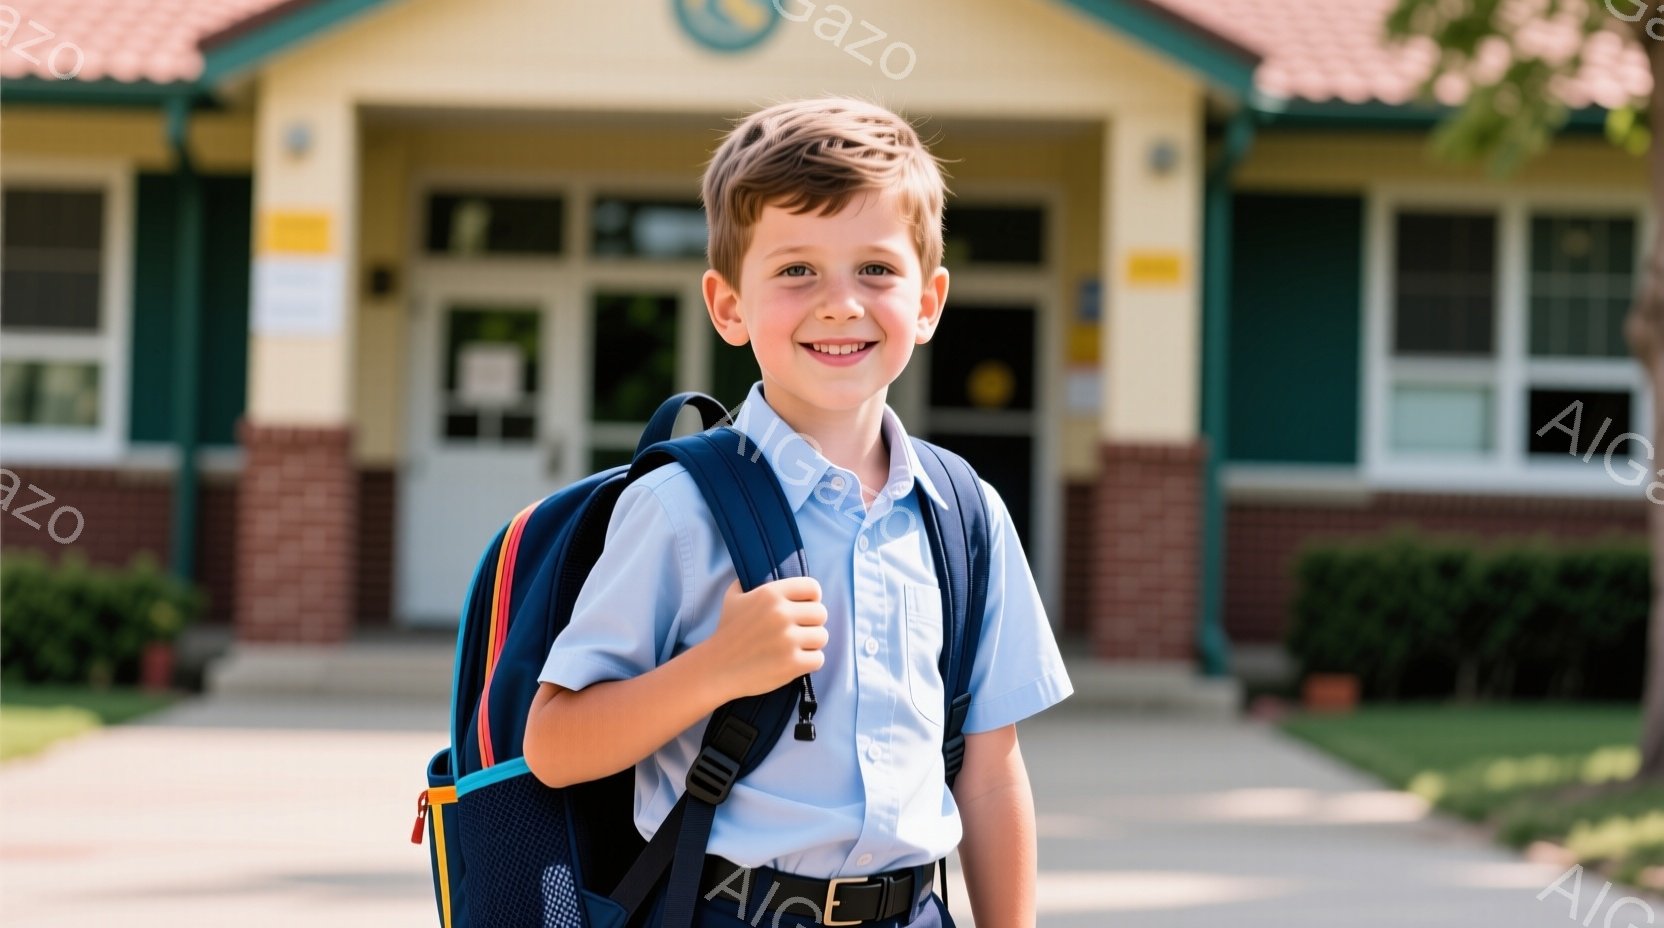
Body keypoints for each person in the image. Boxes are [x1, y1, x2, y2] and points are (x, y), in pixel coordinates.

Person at [523, 96, 1072, 928]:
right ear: (728, 306)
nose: (841, 303)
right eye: (796, 271)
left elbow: (990, 773)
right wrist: (716, 669)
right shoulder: (678, 510)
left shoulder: (964, 515)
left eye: (876, 270)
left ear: (929, 302)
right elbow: (555, 746)